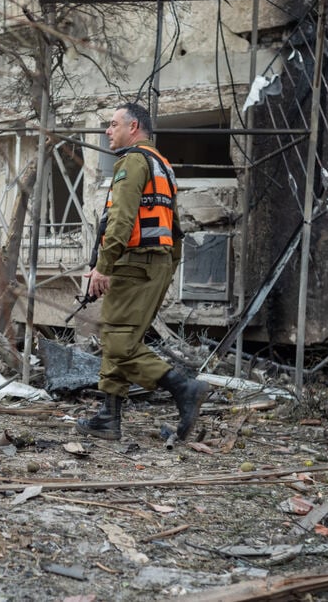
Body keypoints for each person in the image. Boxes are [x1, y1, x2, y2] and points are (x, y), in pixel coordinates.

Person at [76, 102, 210, 442]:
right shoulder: (162, 165)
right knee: (120, 336)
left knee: (119, 342)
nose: (108, 130)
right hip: (156, 263)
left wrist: (102, 267)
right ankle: (109, 416)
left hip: (135, 263)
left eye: (113, 124)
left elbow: (120, 219)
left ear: (133, 128)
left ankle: (183, 389)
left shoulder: (133, 162)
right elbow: (175, 227)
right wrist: (166, 269)